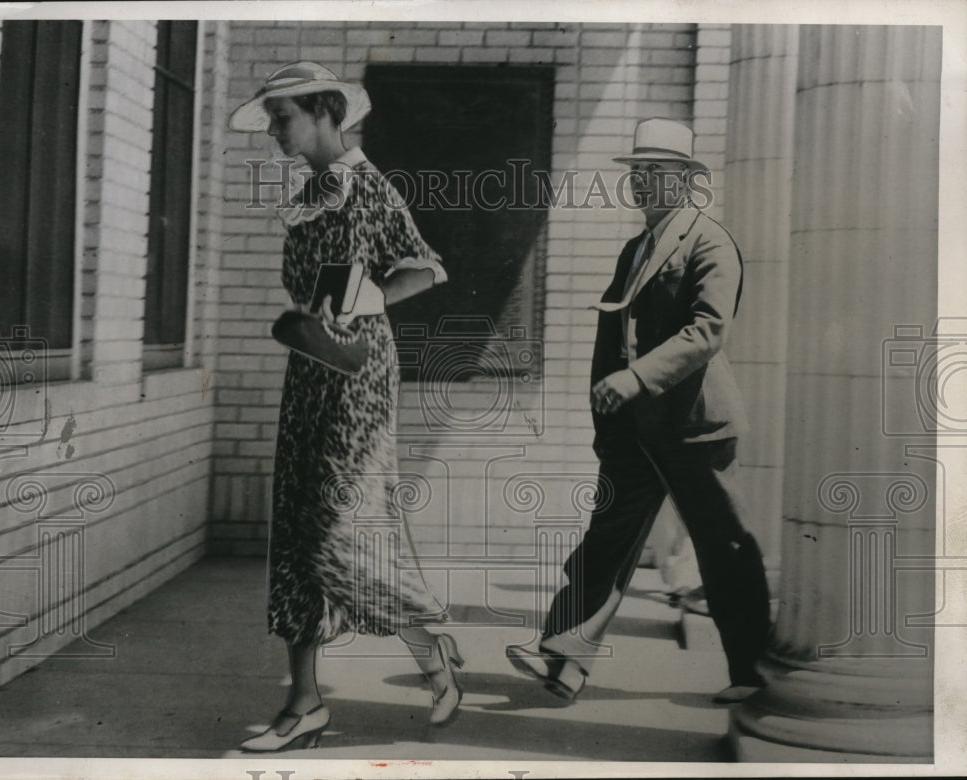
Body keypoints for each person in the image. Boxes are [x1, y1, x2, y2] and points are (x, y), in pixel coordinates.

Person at [228, 62, 463, 752]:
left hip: (358, 376)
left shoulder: (370, 187)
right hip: (311, 371)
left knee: (337, 532)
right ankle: (303, 704)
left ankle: (430, 647)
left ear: (327, 113)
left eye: (284, 117)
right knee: (298, 537)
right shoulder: (309, 195)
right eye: (272, 118)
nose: (275, 130)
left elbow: (426, 265)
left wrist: (367, 299)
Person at [506, 118, 771, 705]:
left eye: (658, 172)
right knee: (605, 539)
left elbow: (708, 330)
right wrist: (609, 417)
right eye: (638, 173)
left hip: (696, 426)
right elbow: (614, 338)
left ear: (686, 181)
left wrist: (635, 378)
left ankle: (753, 675)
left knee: (725, 549)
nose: (644, 183)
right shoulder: (636, 246)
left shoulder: (710, 241)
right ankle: (563, 658)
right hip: (635, 431)